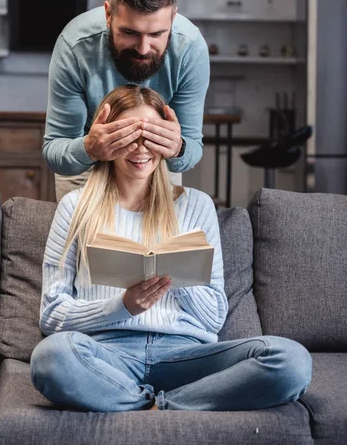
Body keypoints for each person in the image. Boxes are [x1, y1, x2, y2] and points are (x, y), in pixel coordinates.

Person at [31, 85, 312, 413]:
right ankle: (148, 403)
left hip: (187, 357)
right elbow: (51, 316)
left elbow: (213, 319)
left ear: (166, 140)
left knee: (290, 361)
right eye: (128, 135)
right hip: (107, 357)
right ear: (108, 138)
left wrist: (175, 273)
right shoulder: (74, 206)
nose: (140, 149)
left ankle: (156, 407)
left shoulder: (196, 205)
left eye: (150, 136)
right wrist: (123, 305)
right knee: (51, 358)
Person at [43, 0, 210, 201]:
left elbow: (191, 149)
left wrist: (178, 148)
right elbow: (55, 150)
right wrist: (89, 148)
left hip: (155, 165)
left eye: (156, 34)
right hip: (88, 165)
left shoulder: (190, 50)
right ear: (109, 15)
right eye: (130, 32)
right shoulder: (75, 47)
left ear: (172, 18)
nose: (143, 48)